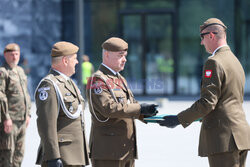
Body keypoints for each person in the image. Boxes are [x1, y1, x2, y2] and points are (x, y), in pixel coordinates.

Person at [157, 18, 250, 167]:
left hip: (223, 139)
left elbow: (208, 103)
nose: (201, 42)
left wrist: (179, 119)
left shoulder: (214, 62)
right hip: (240, 135)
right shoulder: (235, 60)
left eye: (202, 37)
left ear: (211, 36)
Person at [86, 37, 158, 167]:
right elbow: (109, 108)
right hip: (108, 151)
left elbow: (130, 105)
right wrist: (140, 108)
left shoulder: (120, 78)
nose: (124, 59)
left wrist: (152, 116)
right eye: (120, 56)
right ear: (107, 55)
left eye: (125, 56)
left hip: (125, 150)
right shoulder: (97, 80)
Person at [35, 41, 89, 167]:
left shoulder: (68, 82)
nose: (77, 62)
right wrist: (53, 156)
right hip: (62, 156)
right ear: (65, 61)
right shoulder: (49, 85)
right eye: (75, 59)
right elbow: (46, 124)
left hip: (75, 155)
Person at [0, 43, 31, 167]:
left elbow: (26, 94)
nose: (14, 57)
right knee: (7, 154)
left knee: (19, 154)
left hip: (22, 120)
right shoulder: (3, 72)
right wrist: (6, 117)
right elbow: (1, 96)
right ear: (5, 55)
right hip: (10, 121)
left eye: (16, 54)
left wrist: (28, 114)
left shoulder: (20, 71)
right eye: (11, 54)